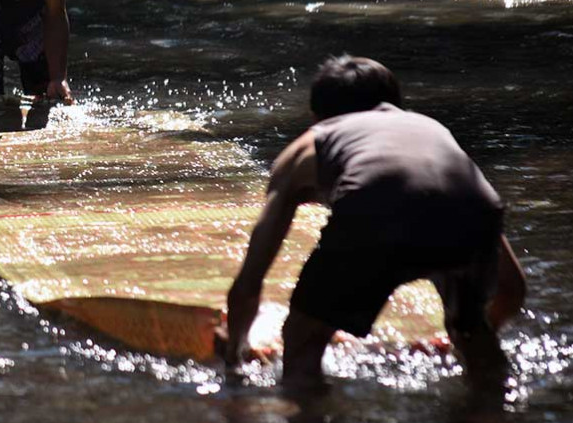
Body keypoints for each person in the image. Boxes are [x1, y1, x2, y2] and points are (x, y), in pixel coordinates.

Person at [220, 55, 526, 392]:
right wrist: (469, 332)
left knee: (302, 341)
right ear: (395, 105)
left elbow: (250, 281)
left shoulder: (309, 143)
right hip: (473, 213)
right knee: (473, 335)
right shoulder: (430, 130)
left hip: (373, 211)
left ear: (316, 116)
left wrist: (234, 357)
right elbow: (511, 288)